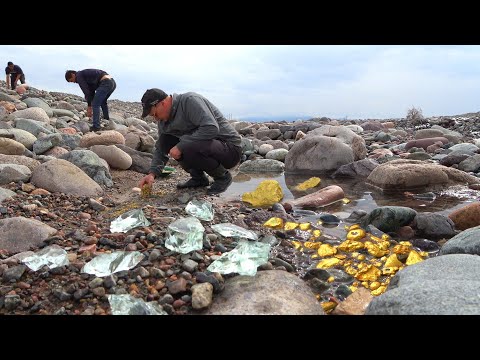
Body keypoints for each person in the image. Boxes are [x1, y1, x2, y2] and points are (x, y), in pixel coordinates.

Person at [138, 88, 242, 195]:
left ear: (163, 103)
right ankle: (199, 178)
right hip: (207, 146)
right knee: (166, 140)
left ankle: (222, 177)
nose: (155, 119)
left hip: (229, 149)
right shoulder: (164, 121)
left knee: (187, 145)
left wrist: (181, 146)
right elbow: (161, 148)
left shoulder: (189, 101)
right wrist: (152, 174)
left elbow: (211, 128)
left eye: (155, 114)